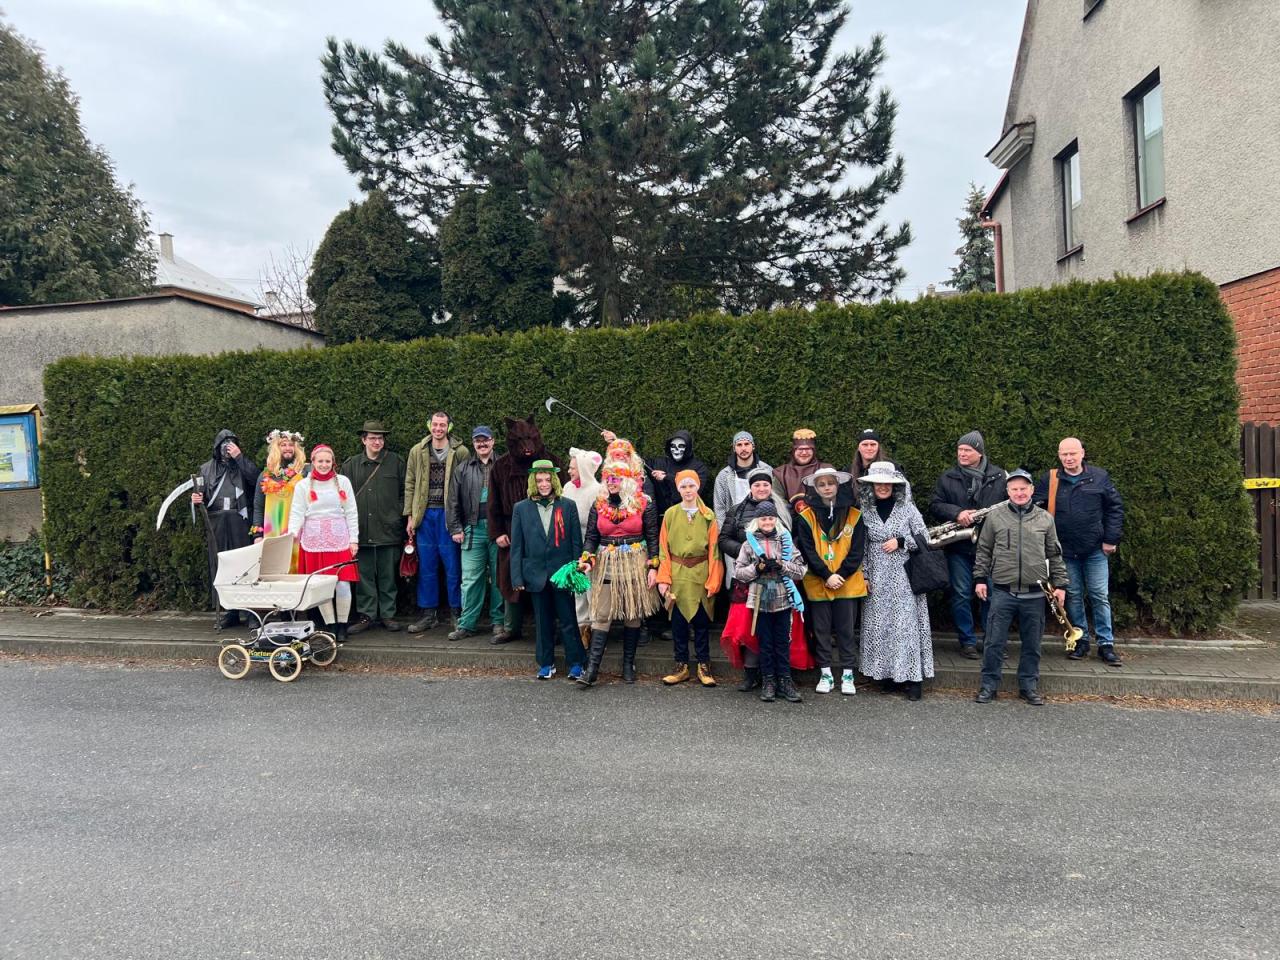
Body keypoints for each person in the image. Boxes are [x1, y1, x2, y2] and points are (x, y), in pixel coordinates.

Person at [973, 469, 1070, 706]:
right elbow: (984, 550)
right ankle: (988, 686)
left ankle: (1028, 686)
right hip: (1002, 591)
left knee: (1032, 644)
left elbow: (1054, 554)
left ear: (1031, 490)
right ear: (1007, 491)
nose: (1019, 493)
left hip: (1035, 593)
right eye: (1014, 489)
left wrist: (1060, 584)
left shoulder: (1045, 519)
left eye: (1023, 488)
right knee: (994, 642)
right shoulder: (995, 517)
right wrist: (980, 578)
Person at [718, 467, 811, 690]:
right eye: (757, 485)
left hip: (781, 582)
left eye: (765, 485)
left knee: (781, 632)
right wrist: (750, 552)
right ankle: (752, 674)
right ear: (750, 487)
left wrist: (782, 560)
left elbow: (794, 538)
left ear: (771, 487)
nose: (761, 488)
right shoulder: (737, 510)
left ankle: (783, 676)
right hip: (749, 580)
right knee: (748, 627)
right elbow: (723, 539)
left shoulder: (783, 509)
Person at [1035, 437, 1125, 666]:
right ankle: (1080, 640)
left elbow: (1114, 508)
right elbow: (1036, 508)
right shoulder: (1050, 479)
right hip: (1064, 551)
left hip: (1095, 549)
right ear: (1059, 455)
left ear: (1082, 453)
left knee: (1099, 595)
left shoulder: (1099, 476)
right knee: (1073, 596)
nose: (1069, 458)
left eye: (1073, 453)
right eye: (1064, 454)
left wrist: (1110, 538)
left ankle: (1106, 644)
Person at [576, 451, 660, 686]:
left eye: (616, 478)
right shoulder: (599, 505)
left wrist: (654, 566)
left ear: (627, 480)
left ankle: (628, 665)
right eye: (608, 478)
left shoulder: (644, 504)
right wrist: (586, 558)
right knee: (602, 614)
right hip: (606, 562)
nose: (611, 483)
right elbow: (591, 537)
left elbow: (652, 537)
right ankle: (592, 670)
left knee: (632, 613)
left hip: (635, 560)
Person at [856, 462, 934, 701]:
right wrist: (864, 576)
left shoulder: (908, 508)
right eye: (878, 483)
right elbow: (862, 547)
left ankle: (913, 679)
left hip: (904, 576)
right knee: (880, 626)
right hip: (877, 577)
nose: (882, 487)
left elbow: (925, 537)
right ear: (871, 486)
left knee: (905, 627)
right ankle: (888, 676)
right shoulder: (865, 511)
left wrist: (901, 541)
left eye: (887, 483)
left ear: (894, 485)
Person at [929, 430, 1007, 659]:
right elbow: (935, 504)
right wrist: (957, 513)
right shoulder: (948, 477)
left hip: (990, 546)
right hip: (959, 546)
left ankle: (992, 642)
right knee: (961, 594)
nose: (962, 454)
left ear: (979, 452)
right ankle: (967, 642)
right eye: (960, 449)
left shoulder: (1000, 477)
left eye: (967, 450)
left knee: (991, 595)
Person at [488, 414, 563, 645]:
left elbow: (563, 497)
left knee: (549, 580)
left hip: (546, 531)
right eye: (521, 441)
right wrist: (497, 532)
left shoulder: (551, 462)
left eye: (530, 440)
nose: (527, 446)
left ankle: (551, 628)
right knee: (510, 578)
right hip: (511, 531)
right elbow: (493, 503)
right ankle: (511, 627)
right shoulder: (501, 466)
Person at [792, 467, 866, 696]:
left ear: (838, 485)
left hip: (847, 582)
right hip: (818, 582)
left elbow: (857, 551)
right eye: (821, 484)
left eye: (830, 483)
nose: (826, 488)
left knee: (846, 631)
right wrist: (827, 575)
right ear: (815, 488)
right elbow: (807, 550)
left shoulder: (855, 515)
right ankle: (825, 673)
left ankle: (847, 674)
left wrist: (840, 575)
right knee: (821, 630)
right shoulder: (806, 516)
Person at [509, 460, 585, 680]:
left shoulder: (567, 506)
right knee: (542, 622)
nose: (544, 484)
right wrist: (517, 577)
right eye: (540, 480)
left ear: (554, 481)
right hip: (535, 574)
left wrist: (576, 571)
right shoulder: (521, 508)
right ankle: (545, 663)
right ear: (533, 481)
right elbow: (517, 546)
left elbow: (576, 542)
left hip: (563, 573)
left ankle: (576, 663)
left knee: (568, 619)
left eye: (548, 479)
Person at [733, 500, 807, 703]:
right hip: (759, 599)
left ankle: (785, 680)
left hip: (783, 597)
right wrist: (756, 569)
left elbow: (801, 570)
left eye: (771, 518)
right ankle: (768, 680)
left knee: (782, 641)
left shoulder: (785, 541)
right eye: (763, 519)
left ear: (776, 519)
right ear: (757, 521)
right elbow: (739, 572)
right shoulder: (748, 544)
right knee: (765, 642)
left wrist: (782, 565)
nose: (767, 522)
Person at [656, 470, 724, 687]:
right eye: (683, 487)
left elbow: (714, 551)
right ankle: (681, 666)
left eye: (691, 486)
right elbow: (663, 549)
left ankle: (704, 665)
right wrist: (664, 578)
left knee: (701, 623)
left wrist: (714, 579)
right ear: (678, 489)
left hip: (700, 573)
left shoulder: (708, 515)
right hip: (677, 575)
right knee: (679, 624)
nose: (688, 490)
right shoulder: (670, 514)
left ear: (697, 487)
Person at [288, 444, 360, 642]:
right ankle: (330, 625)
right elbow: (297, 511)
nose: (324, 465)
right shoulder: (303, 485)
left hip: (339, 539)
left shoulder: (343, 482)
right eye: (320, 461)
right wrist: (293, 533)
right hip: (315, 540)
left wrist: (354, 539)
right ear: (313, 462)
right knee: (322, 586)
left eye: (327, 461)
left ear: (333, 462)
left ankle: (343, 624)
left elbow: (351, 511)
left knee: (342, 584)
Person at [405, 412, 470, 633]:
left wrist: (461, 518)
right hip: (425, 516)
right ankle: (428, 614)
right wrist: (410, 515)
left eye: (442, 425)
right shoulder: (417, 450)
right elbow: (410, 483)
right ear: (429, 425)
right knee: (427, 567)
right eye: (435, 424)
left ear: (449, 427)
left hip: (448, 516)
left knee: (453, 567)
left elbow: (466, 486)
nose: (438, 428)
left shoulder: (460, 452)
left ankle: (456, 612)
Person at [341, 421, 406, 634]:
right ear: (364, 440)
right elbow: (342, 497)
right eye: (372, 438)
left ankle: (388, 614)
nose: (377, 442)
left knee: (389, 576)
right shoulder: (350, 465)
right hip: (362, 531)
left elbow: (405, 492)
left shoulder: (396, 462)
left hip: (389, 530)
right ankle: (367, 615)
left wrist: (397, 513)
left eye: (380, 438)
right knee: (364, 577)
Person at [193, 428, 259, 628]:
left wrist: (240, 458)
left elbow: (257, 481)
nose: (227, 446)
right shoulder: (206, 469)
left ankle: (250, 611)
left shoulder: (243, 464)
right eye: (224, 442)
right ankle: (230, 611)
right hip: (217, 521)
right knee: (222, 565)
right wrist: (196, 500)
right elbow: (201, 496)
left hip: (240, 520)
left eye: (231, 442)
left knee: (245, 564)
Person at [446, 425, 504, 642]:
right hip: (472, 529)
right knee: (470, 579)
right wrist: (455, 528)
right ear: (473, 444)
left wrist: (508, 529)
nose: (482, 444)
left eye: (485, 440)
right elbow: (453, 501)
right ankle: (467, 624)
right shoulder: (463, 468)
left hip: (498, 530)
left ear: (493, 441)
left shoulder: (504, 465)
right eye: (478, 441)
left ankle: (499, 622)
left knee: (499, 578)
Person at [562, 446, 604, 651]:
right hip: (572, 544)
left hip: (591, 546)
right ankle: (581, 629)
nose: (569, 471)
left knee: (592, 590)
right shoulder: (568, 488)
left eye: (573, 468)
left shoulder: (597, 490)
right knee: (578, 588)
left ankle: (597, 632)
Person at [250, 429, 308, 575]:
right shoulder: (265, 475)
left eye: (291, 445)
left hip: (298, 532)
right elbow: (258, 506)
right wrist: (257, 535)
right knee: (273, 570)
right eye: (283, 445)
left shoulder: (304, 472)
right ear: (276, 448)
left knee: (297, 570)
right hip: (272, 532)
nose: (288, 448)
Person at [712, 431, 772, 525]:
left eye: (747, 444)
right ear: (734, 448)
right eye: (739, 445)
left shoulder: (766, 470)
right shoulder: (724, 476)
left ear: (753, 446)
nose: (743, 448)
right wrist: (724, 530)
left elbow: (775, 498)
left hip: (763, 525)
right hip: (735, 526)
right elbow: (719, 507)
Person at [646, 429, 710, 516]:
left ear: (688, 447)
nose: (676, 449)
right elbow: (640, 463)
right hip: (662, 518)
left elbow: (695, 489)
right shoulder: (661, 463)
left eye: (681, 446)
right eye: (673, 446)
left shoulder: (699, 467)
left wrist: (666, 477)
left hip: (687, 516)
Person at [774, 428, 833, 504]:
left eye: (808, 449)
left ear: (813, 451)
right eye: (800, 449)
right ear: (793, 451)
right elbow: (778, 499)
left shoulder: (826, 469)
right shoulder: (781, 473)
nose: (804, 453)